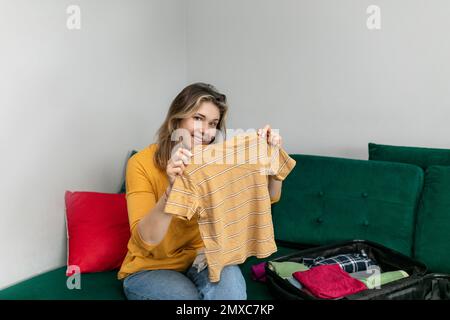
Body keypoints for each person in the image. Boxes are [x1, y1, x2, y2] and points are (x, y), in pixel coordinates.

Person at [118, 82, 284, 300]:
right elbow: (147, 239)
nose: (206, 132)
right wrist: (173, 190)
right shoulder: (140, 164)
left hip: (202, 258)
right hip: (150, 267)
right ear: (176, 119)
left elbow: (269, 196)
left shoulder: (213, 160)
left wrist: (273, 160)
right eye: (198, 118)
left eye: (213, 123)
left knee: (232, 294)